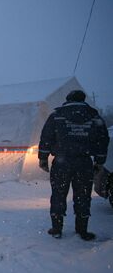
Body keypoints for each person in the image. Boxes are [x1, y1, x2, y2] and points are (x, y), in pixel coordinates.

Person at [38, 90, 109, 240]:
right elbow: (103, 140)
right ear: (83, 99)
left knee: (58, 195)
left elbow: (46, 137)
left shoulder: (57, 116)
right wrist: (99, 161)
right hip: (84, 163)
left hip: (61, 163)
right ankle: (82, 230)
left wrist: (43, 159)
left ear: (68, 99)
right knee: (83, 196)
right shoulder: (94, 117)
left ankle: (56, 229)